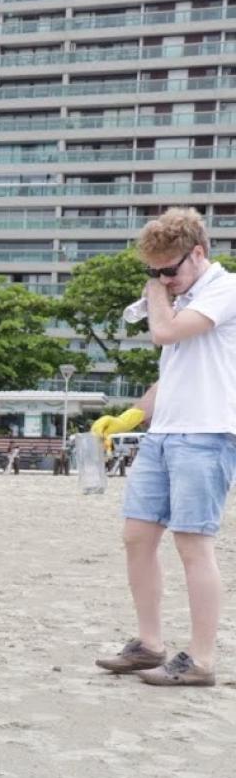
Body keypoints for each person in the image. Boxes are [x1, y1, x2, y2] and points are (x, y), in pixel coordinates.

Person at [91, 207, 236, 687]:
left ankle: (201, 658)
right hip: (165, 432)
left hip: (208, 432)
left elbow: (165, 333)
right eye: (153, 272)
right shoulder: (185, 295)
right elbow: (173, 370)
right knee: (137, 535)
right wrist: (134, 414)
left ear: (198, 253)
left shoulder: (224, 289)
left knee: (193, 543)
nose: (162, 280)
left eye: (169, 269)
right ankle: (150, 643)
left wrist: (155, 296)